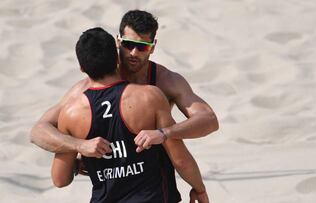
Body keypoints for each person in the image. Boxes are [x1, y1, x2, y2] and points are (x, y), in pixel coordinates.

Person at [31, 10, 218, 201]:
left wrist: (165, 133)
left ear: (152, 47)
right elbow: (38, 130)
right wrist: (80, 146)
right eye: (128, 45)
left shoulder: (165, 81)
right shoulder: (86, 87)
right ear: (118, 41)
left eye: (142, 47)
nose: (133, 53)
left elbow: (209, 120)